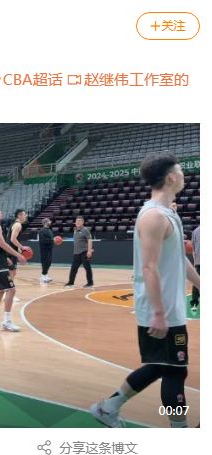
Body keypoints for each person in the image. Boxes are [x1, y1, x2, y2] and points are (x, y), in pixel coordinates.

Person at [90, 152, 200, 428]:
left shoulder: (168, 213)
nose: (184, 176)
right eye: (180, 171)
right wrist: (159, 314)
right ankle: (179, 429)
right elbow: (149, 268)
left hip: (169, 307)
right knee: (175, 370)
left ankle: (108, 407)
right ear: (171, 177)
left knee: (161, 366)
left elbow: (178, 257)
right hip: (160, 310)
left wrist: (201, 284)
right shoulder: (153, 217)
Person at [0, 203, 27, 331]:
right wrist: (18, 255)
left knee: (0, 290)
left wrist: (6, 258)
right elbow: (2, 244)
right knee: (11, 290)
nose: (1, 212)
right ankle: (7, 321)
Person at [64, 216, 94, 288]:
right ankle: (71, 283)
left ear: (83, 222)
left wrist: (89, 251)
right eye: (77, 220)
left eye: (79, 221)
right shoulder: (75, 230)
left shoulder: (85, 230)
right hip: (76, 253)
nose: (78, 222)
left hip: (84, 252)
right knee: (73, 268)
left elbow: (89, 240)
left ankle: (90, 283)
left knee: (87, 268)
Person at [7, 209, 30, 301]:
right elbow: (12, 239)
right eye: (24, 215)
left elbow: (10, 239)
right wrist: (22, 247)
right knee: (11, 273)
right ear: (19, 216)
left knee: (12, 272)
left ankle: (7, 293)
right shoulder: (18, 225)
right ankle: (8, 294)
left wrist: (19, 249)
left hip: (11, 250)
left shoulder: (15, 224)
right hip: (11, 252)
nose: (26, 216)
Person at [38, 218, 54, 283]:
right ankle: (43, 277)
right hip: (44, 249)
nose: (50, 222)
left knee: (49, 262)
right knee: (45, 262)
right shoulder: (42, 231)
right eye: (49, 221)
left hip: (49, 249)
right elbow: (43, 241)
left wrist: (54, 241)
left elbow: (51, 239)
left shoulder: (50, 230)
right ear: (45, 222)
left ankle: (45, 275)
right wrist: (52, 240)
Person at [191, 225, 200, 312]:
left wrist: (195, 262)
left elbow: (193, 249)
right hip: (199, 261)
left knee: (197, 283)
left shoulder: (195, 231)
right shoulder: (195, 231)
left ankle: (194, 304)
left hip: (198, 261)